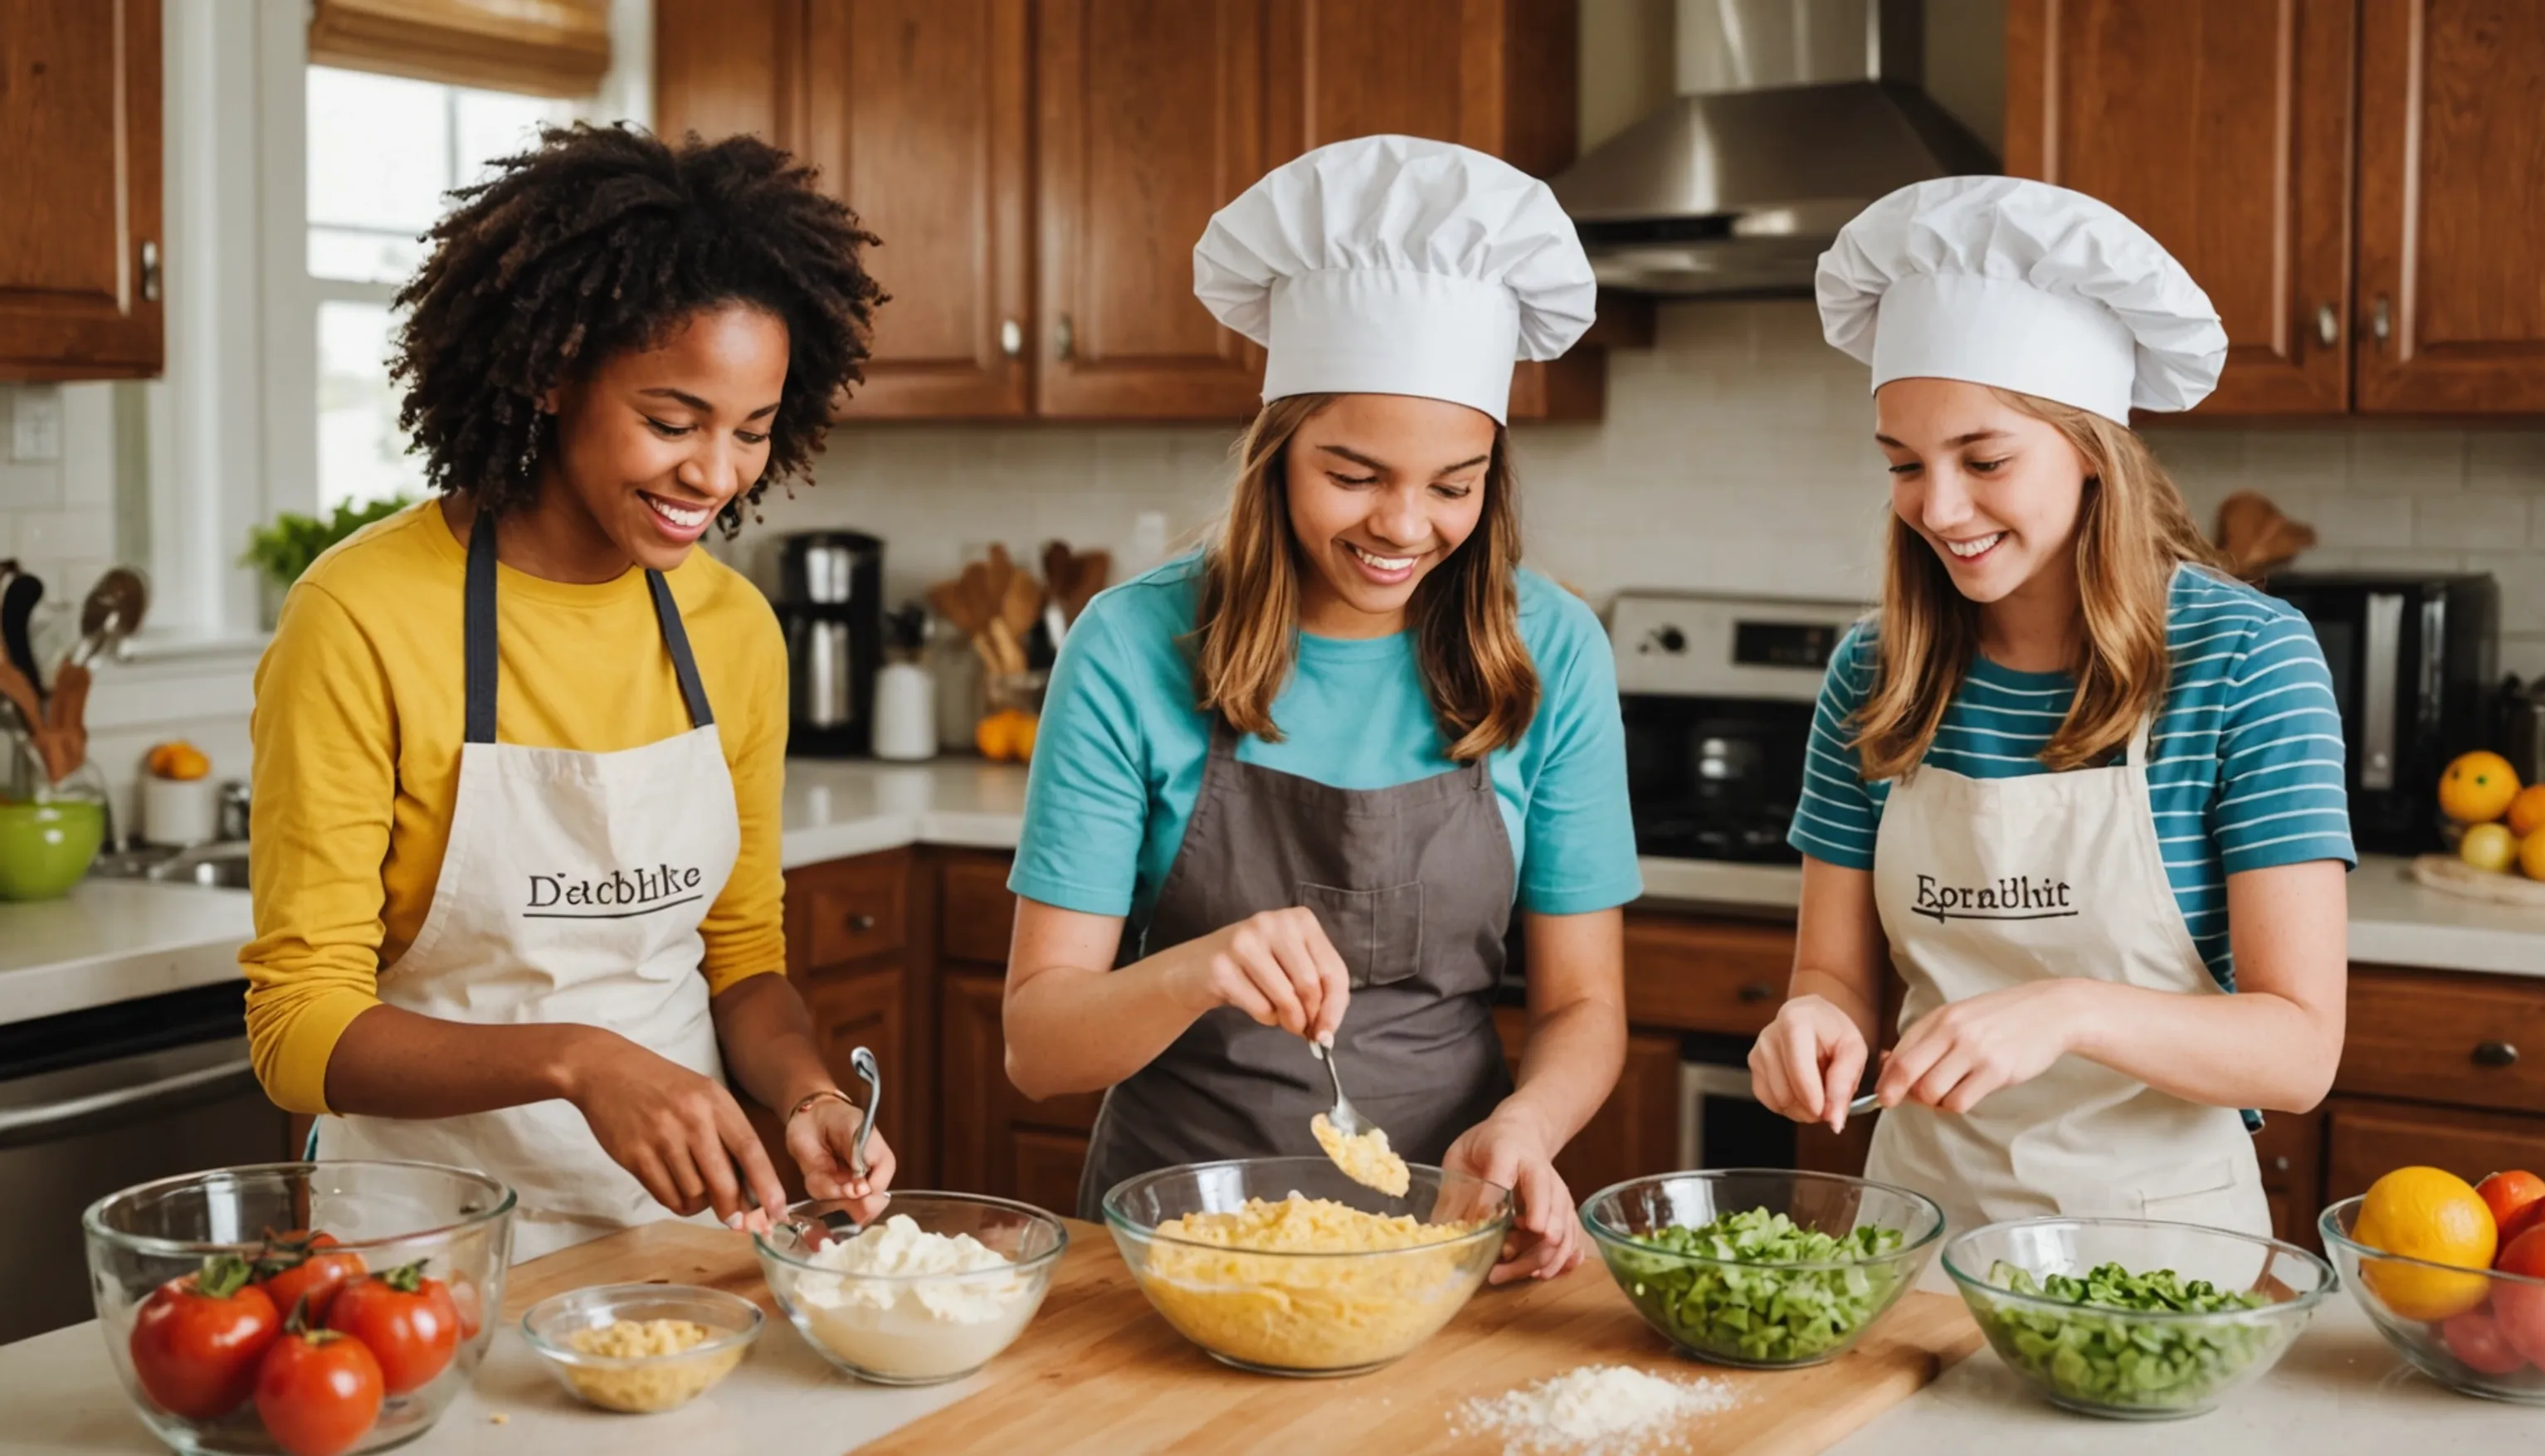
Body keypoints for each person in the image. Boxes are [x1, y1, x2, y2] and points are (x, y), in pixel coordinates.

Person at [243, 125, 897, 1260]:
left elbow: (742, 962)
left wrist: (803, 1095)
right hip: (417, 1241)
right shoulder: (361, 613)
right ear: (551, 372)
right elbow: (299, 1027)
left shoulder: (732, 629)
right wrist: (580, 1059)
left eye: (752, 430)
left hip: (672, 1235)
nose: (716, 474)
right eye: (671, 420)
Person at [1001, 136, 1641, 1283]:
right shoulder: (1132, 643)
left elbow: (1586, 1003)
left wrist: (1528, 1126)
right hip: (1165, 1251)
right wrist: (1200, 965)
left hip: (1445, 1241)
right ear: (1276, 451)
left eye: (1454, 484)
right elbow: (1039, 1046)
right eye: (1353, 474)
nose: (1404, 527)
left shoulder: (1551, 646)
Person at [1747, 176, 2355, 1239]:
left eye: (1984, 459)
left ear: (2091, 451)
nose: (1938, 508)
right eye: (1903, 464)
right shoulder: (1874, 672)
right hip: (1914, 1242)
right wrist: (1809, 1020)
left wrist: (2069, 1009)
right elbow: (1834, 974)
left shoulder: (2245, 662)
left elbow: (2299, 1053)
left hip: (2160, 1265)